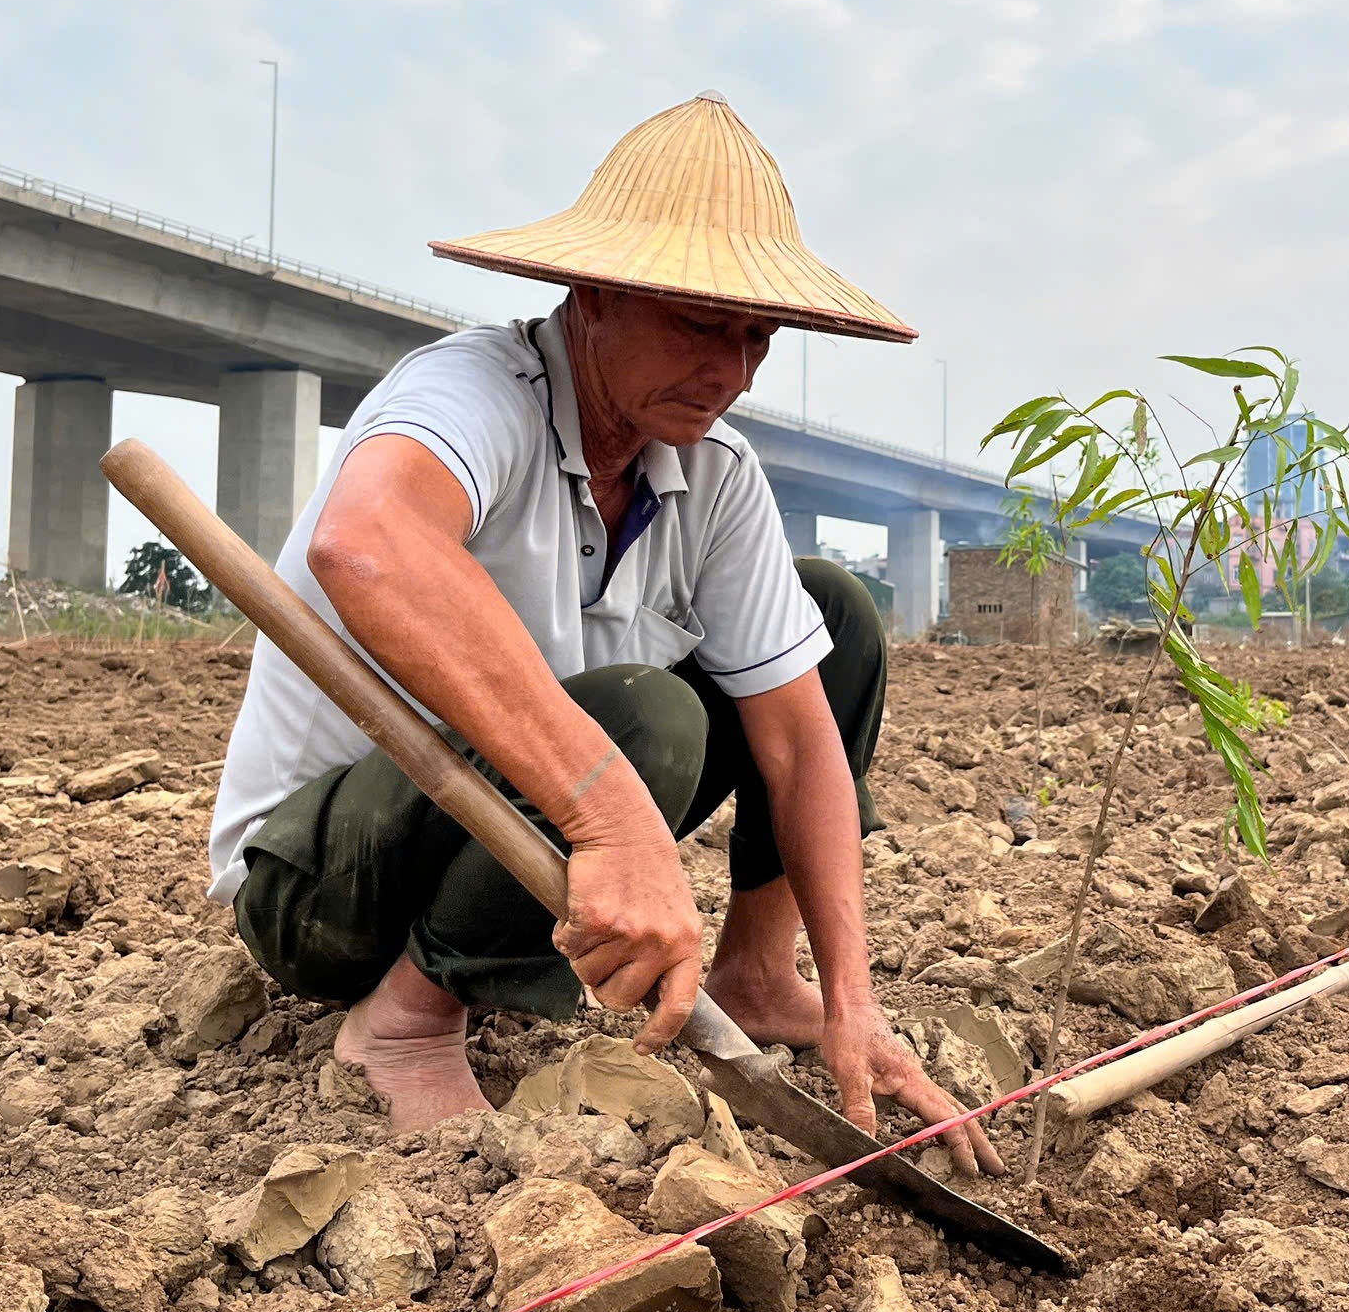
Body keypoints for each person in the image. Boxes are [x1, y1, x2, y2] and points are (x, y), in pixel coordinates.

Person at [209, 90, 999, 1174]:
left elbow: (800, 741)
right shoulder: (475, 393)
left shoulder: (713, 476)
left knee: (832, 617)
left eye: (756, 334)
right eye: (697, 324)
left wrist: (856, 997)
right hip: (326, 889)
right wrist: (614, 818)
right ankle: (401, 1016)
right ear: (590, 295)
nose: (732, 370)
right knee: (644, 717)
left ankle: (760, 972)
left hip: (508, 849)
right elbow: (367, 542)